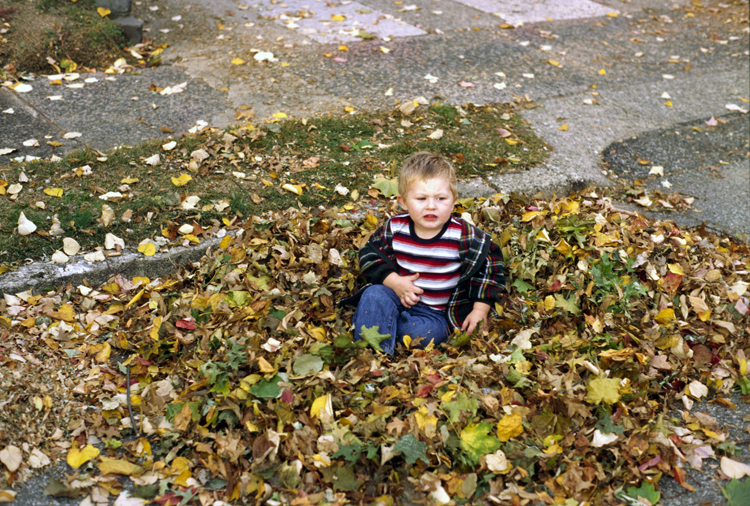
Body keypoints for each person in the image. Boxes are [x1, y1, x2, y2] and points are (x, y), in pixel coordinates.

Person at [342, 152, 506, 354]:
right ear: (403, 201)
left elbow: (489, 268)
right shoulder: (396, 228)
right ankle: (374, 354)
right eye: (421, 198)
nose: (431, 206)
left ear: (454, 200)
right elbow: (369, 255)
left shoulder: (464, 237)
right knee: (373, 294)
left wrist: (480, 310)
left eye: (440, 198)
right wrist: (394, 282)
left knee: (424, 333)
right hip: (396, 297)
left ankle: (380, 325)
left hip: (435, 314)